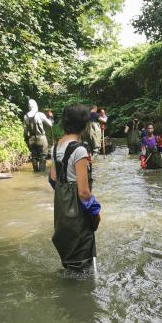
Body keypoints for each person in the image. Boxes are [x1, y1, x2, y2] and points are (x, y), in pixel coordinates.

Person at [48, 104, 101, 270]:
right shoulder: (80, 150)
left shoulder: (55, 146)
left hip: (62, 210)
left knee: (70, 258)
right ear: (84, 125)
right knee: (83, 261)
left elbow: (52, 179)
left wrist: (66, 196)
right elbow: (84, 192)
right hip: (78, 212)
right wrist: (95, 214)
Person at [23, 99, 53, 172]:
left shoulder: (26, 117)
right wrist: (51, 117)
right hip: (41, 138)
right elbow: (50, 124)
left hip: (31, 139)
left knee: (34, 157)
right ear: (36, 106)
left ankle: (36, 172)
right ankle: (41, 174)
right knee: (43, 156)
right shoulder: (40, 114)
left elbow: (25, 132)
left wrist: (27, 140)